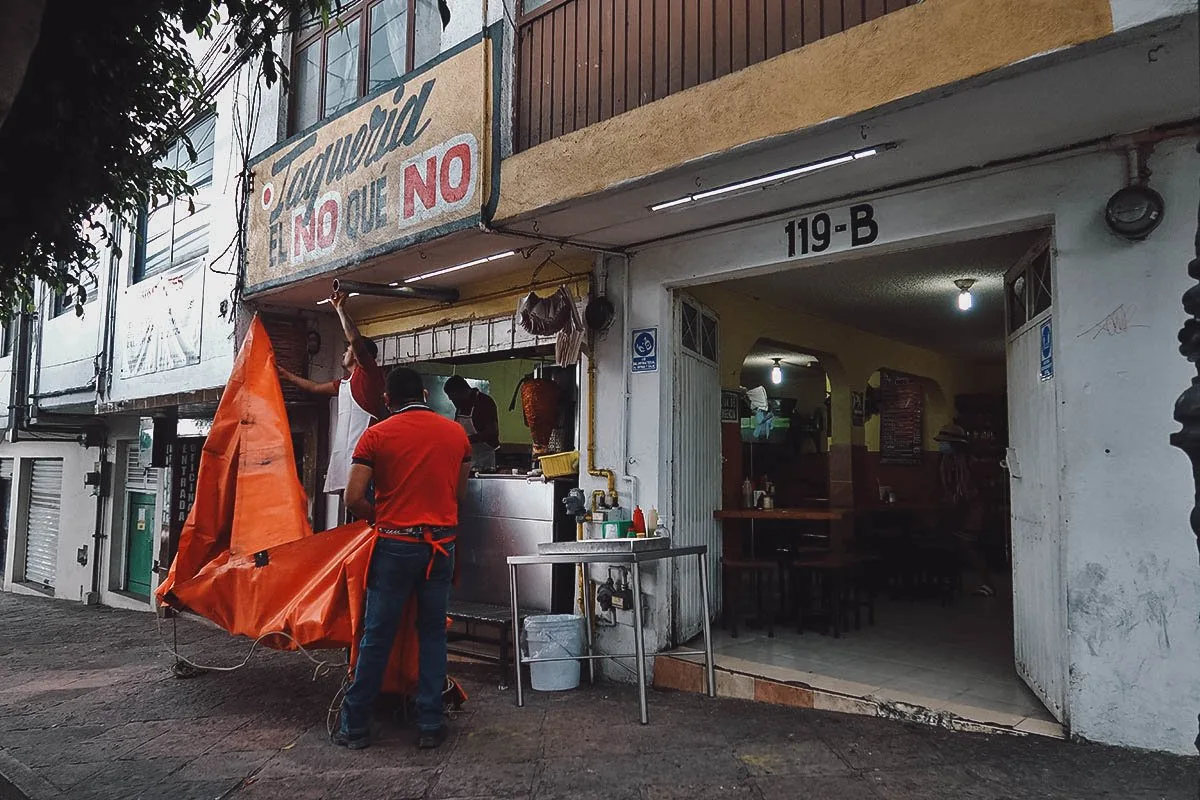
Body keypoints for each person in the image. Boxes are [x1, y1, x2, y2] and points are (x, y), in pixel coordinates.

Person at [334, 366, 471, 751]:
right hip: (440, 547)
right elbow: (458, 495)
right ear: (425, 396)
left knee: (377, 635)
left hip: (395, 545)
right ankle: (430, 724)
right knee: (432, 634)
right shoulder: (456, 434)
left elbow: (353, 496)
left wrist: (381, 516)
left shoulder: (376, 436)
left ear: (388, 401)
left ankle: (355, 726)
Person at [278, 291, 387, 509]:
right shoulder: (345, 383)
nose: (343, 354)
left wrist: (340, 309)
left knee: (364, 506)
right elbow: (315, 387)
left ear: (357, 355)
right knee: (352, 507)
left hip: (366, 460)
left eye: (347, 350)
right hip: (348, 458)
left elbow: (355, 340)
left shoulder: (368, 375)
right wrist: (286, 376)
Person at [935, 424, 996, 597]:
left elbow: (979, 487)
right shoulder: (945, 462)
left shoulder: (970, 462)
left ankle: (987, 583)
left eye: (945, 442)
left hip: (972, 509)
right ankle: (954, 582)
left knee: (969, 546)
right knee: (957, 544)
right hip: (956, 509)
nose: (942, 446)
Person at [443, 375, 500, 472]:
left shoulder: (484, 402)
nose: (453, 402)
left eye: (454, 398)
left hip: (485, 461)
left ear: (463, 391)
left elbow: (492, 432)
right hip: (467, 460)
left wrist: (465, 440)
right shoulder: (460, 407)